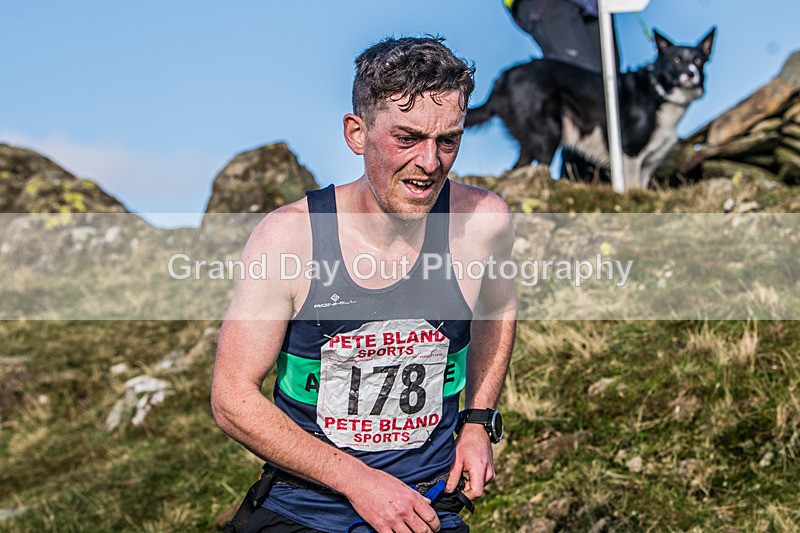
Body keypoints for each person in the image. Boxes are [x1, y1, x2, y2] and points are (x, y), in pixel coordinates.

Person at [211, 36, 518, 533]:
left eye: (448, 141)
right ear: (357, 133)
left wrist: (479, 422)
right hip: (305, 509)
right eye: (407, 138)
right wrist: (359, 482)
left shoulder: (482, 221)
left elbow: (498, 307)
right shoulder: (291, 237)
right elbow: (231, 398)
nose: (429, 162)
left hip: (426, 510)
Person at [504, 0, 619, 180]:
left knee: (608, 89)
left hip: (595, 6)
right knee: (584, 88)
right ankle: (577, 180)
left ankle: (588, 180)